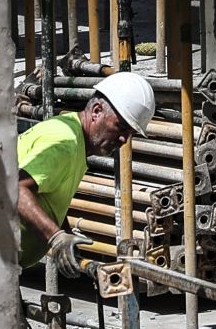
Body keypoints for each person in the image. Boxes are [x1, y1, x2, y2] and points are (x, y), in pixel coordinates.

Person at [18, 71, 156, 279]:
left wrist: (65, 235)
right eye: (120, 127)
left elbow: (46, 198)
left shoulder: (74, 139)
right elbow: (15, 188)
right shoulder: (65, 142)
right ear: (97, 111)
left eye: (130, 133)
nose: (123, 139)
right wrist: (55, 237)